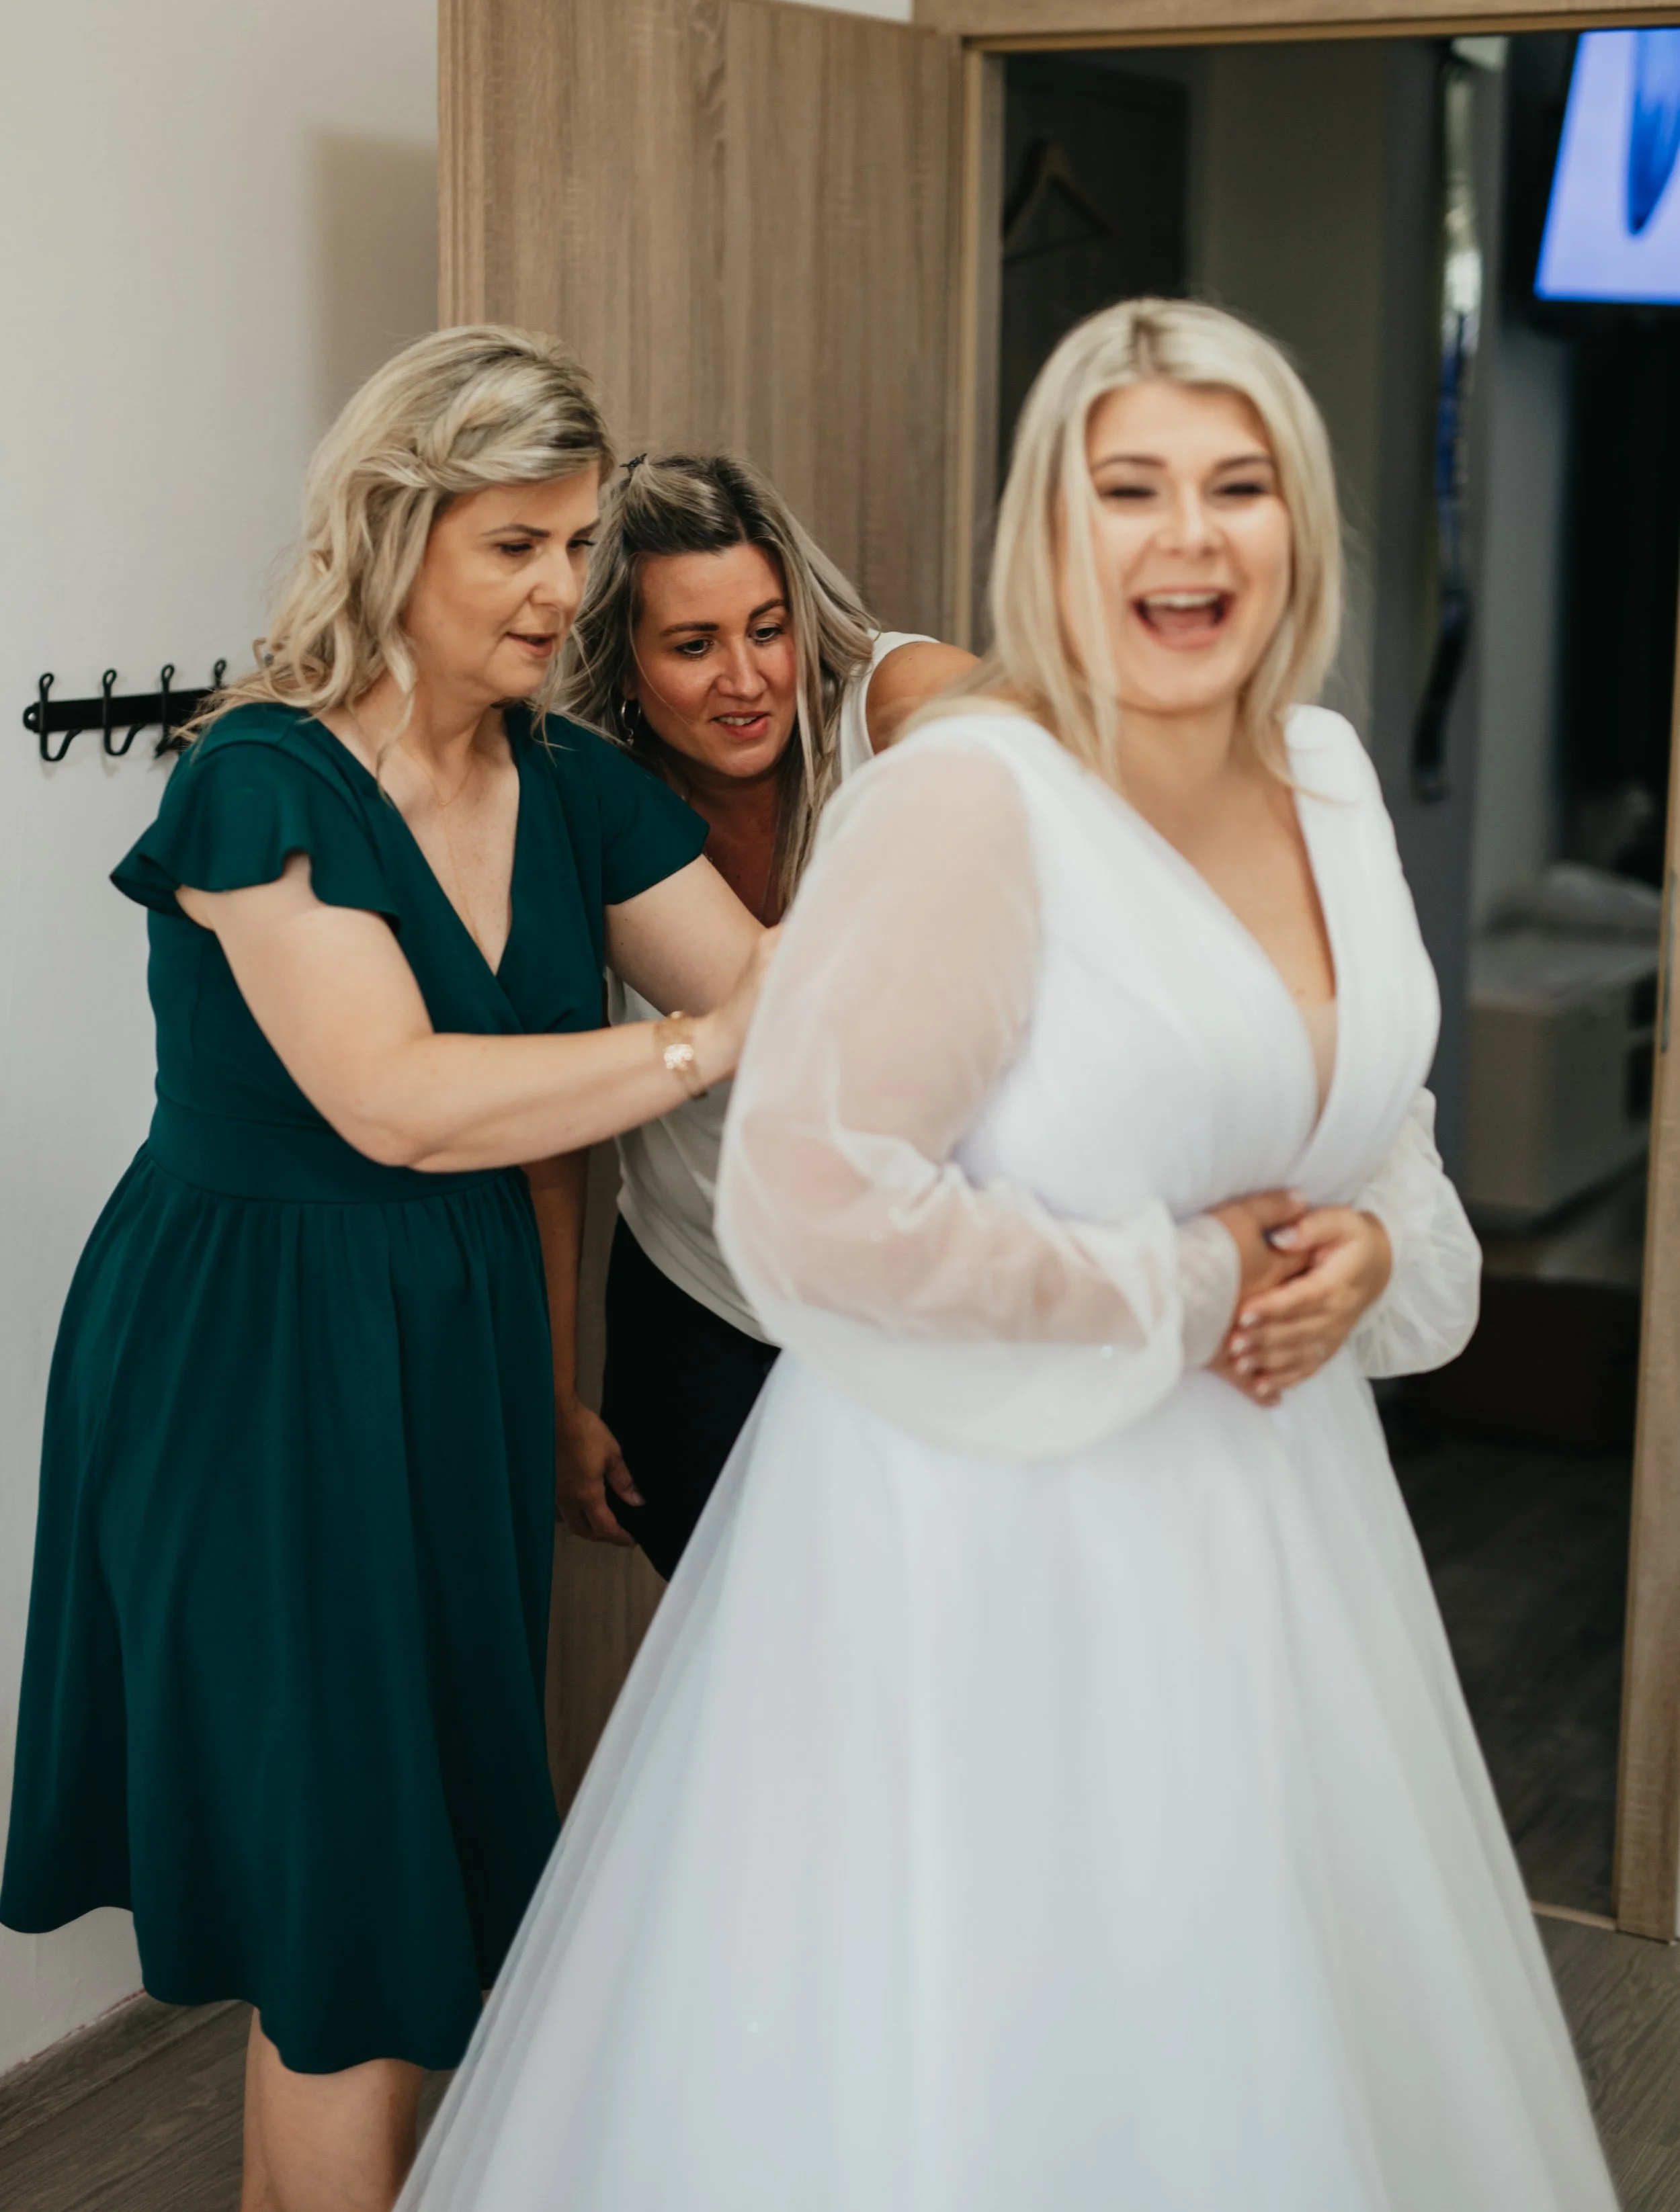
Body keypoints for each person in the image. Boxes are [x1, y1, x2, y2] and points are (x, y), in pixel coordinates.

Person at [399, 298, 1620, 2212]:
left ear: (1304, 517)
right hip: (982, 1507)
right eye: (1127, 488)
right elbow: (805, 1194)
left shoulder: (1324, 774)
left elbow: (1379, 1135)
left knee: (1260, 2012)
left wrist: (1377, 1248)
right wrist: (1186, 1287)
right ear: (1051, 525)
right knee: (980, 2008)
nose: (1185, 535)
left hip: (1282, 1520)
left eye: (1235, 484)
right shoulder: (969, 792)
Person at [0, 327, 772, 2212]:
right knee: (348, 1896)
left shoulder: (571, 784)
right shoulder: (252, 777)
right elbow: (398, 1101)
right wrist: (697, 1047)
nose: (561, 592)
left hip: (454, 1345)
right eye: (514, 545)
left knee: (391, 1871)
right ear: (392, 526)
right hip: (249, 1358)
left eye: (576, 545)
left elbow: (784, 995)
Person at [556, 453, 971, 1574]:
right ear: (625, 664)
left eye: (767, 630)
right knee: (733, 1655)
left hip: (918, 1301)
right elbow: (556, 1132)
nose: (746, 680)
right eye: (693, 646)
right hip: (705, 1304)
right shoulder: (584, 804)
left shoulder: (894, 707)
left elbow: (1067, 762)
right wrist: (554, 1392)